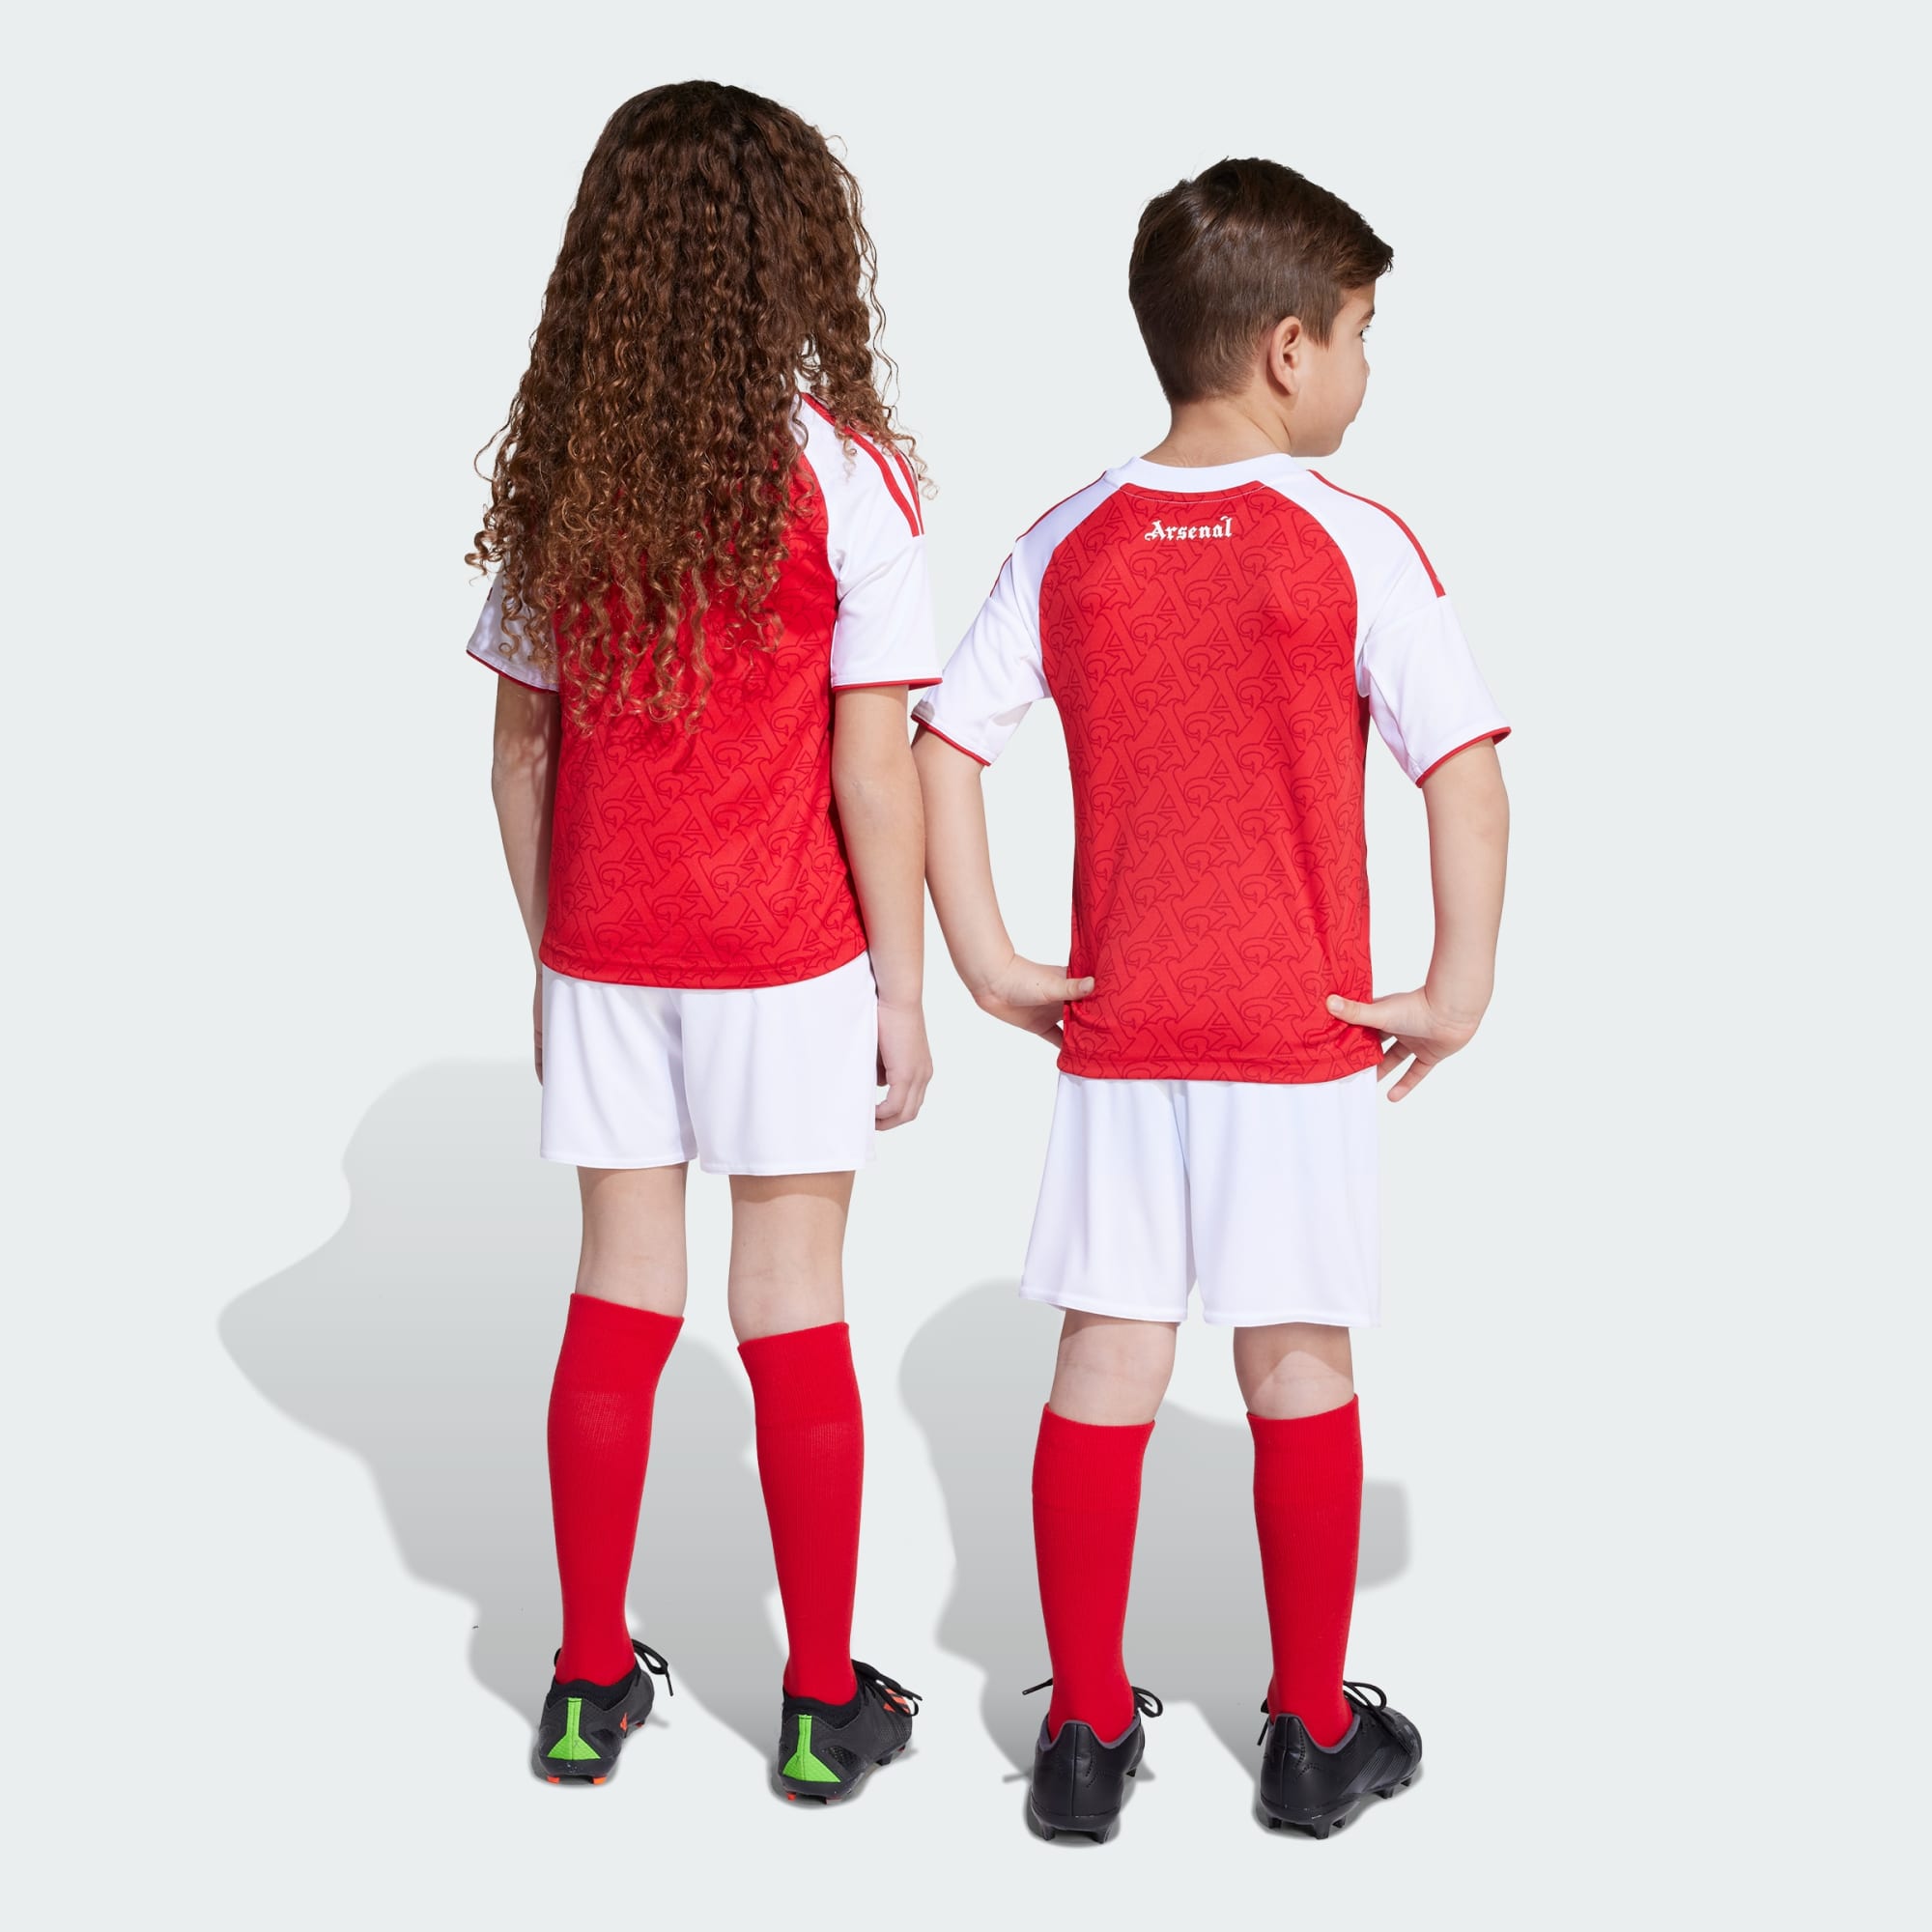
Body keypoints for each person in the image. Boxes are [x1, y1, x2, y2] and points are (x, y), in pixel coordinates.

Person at [913, 157, 1511, 1842]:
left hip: (1121, 1032)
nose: (1369, 367)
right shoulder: (1355, 539)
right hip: (1295, 1034)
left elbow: (943, 744)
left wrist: (989, 959)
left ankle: (1084, 1735)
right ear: (1289, 351)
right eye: (1365, 333)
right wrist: (1455, 987)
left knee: (1105, 1358)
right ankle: (1311, 1736)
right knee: (1297, 1357)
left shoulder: (1068, 538)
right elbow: (1465, 775)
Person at [469, 81, 932, 1797]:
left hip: (606, 948)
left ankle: (587, 1685)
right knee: (792, 1305)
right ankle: (817, 1710)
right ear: (793, 252)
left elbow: (521, 757)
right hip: (787, 954)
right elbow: (871, 767)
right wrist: (901, 989)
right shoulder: (848, 474)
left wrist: (558, 955)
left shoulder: (570, 473)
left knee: (618, 1296)